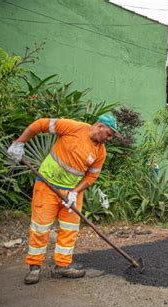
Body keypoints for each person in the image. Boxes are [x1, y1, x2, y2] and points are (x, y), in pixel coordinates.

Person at [6, 114, 118, 284]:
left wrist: (74, 192)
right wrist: (19, 143)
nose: (108, 139)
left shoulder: (100, 151)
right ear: (100, 126)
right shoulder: (74, 127)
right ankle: (35, 267)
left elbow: (91, 177)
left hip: (72, 193)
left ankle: (63, 266)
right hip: (47, 185)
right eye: (108, 134)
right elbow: (40, 124)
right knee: (40, 228)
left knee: (70, 229)